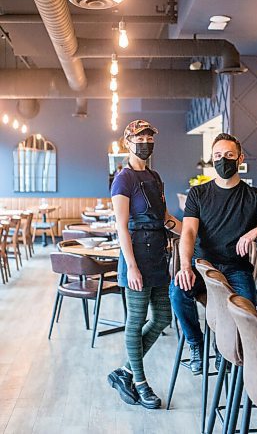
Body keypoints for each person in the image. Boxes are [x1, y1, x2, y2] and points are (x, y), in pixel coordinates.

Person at [169, 133, 257, 375]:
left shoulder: (252, 197)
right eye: (218, 156)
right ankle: (196, 345)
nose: (223, 160)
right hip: (203, 268)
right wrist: (185, 266)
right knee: (177, 293)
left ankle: (224, 351)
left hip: (236, 269)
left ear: (240, 158)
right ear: (212, 159)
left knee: (245, 311)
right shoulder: (198, 194)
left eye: (229, 155)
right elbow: (187, 232)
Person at [108, 119, 182, 409]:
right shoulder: (123, 179)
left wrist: (191, 231)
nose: (146, 141)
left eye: (150, 136)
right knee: (136, 321)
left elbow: (164, 218)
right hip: (135, 257)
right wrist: (132, 267)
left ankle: (125, 371)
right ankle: (139, 381)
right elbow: (121, 227)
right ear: (127, 142)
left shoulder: (155, 175)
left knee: (163, 317)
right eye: (140, 137)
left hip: (158, 258)